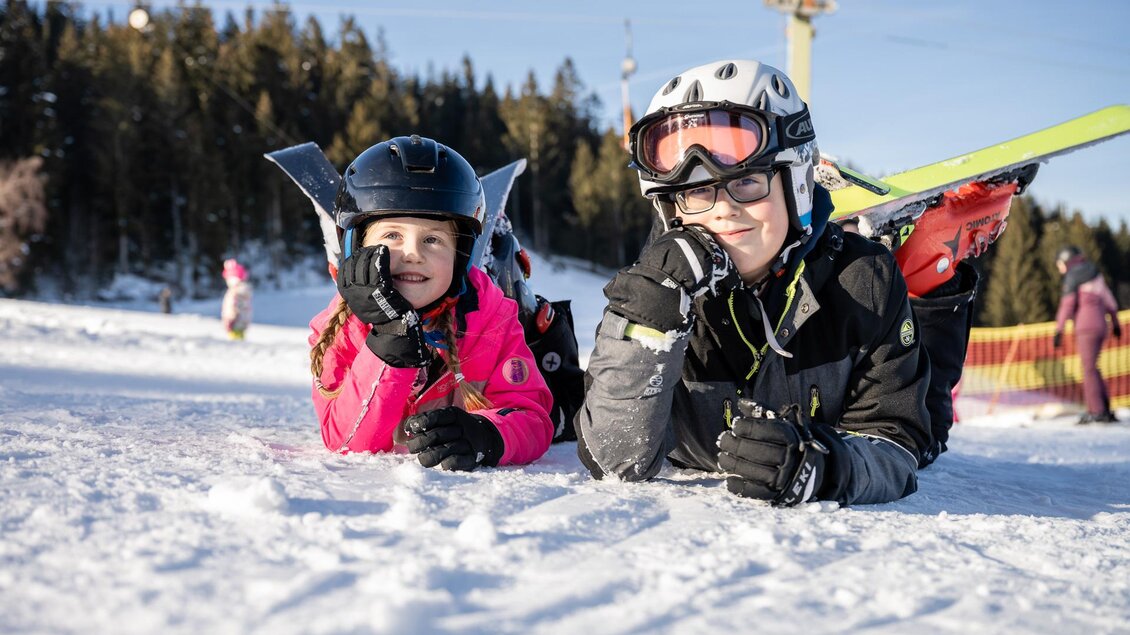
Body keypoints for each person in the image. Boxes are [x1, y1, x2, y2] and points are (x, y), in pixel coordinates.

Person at [576, 59, 994, 506]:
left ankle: (930, 269)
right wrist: (647, 319)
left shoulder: (862, 279)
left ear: (794, 183)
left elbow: (899, 440)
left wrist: (825, 466)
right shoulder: (655, 293)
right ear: (671, 209)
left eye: (748, 183)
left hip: (857, 339)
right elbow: (614, 459)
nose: (723, 210)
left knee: (929, 423)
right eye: (698, 193)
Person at [308, 135, 553, 470]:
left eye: (433, 240)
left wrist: (487, 434)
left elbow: (532, 419)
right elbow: (345, 441)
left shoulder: (491, 315)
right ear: (357, 247)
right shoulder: (341, 325)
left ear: (461, 256)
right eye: (392, 236)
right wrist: (389, 342)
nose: (413, 254)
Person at [1053, 246, 1121, 424]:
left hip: (1086, 328)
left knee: (1088, 370)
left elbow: (1067, 305)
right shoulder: (1094, 273)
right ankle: (1104, 408)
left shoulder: (1073, 276)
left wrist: (1058, 329)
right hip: (1101, 326)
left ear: (1067, 261)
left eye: (1059, 264)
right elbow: (1109, 300)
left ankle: (1096, 411)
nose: (1059, 268)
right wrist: (1115, 323)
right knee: (1093, 368)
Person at [221, 259, 253, 340]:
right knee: (239, 341)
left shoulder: (236, 292)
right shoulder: (242, 291)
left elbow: (233, 307)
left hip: (235, 323)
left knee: (235, 343)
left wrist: (230, 320)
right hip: (241, 322)